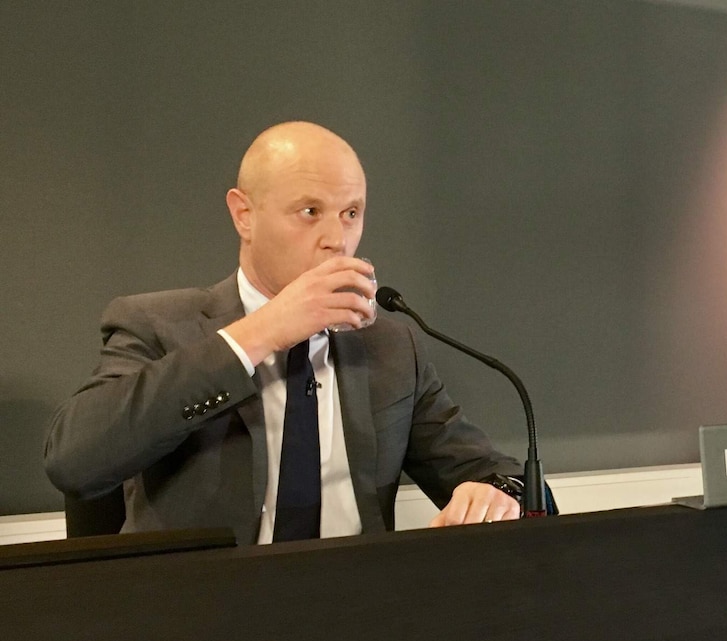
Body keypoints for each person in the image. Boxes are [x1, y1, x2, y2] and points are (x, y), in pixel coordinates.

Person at [44, 121, 524, 545]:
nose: (337, 238)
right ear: (244, 215)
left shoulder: (391, 349)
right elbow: (74, 460)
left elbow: (506, 477)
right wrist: (259, 335)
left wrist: (496, 495)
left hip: (355, 612)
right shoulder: (156, 325)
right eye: (310, 212)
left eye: (351, 213)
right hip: (203, 617)